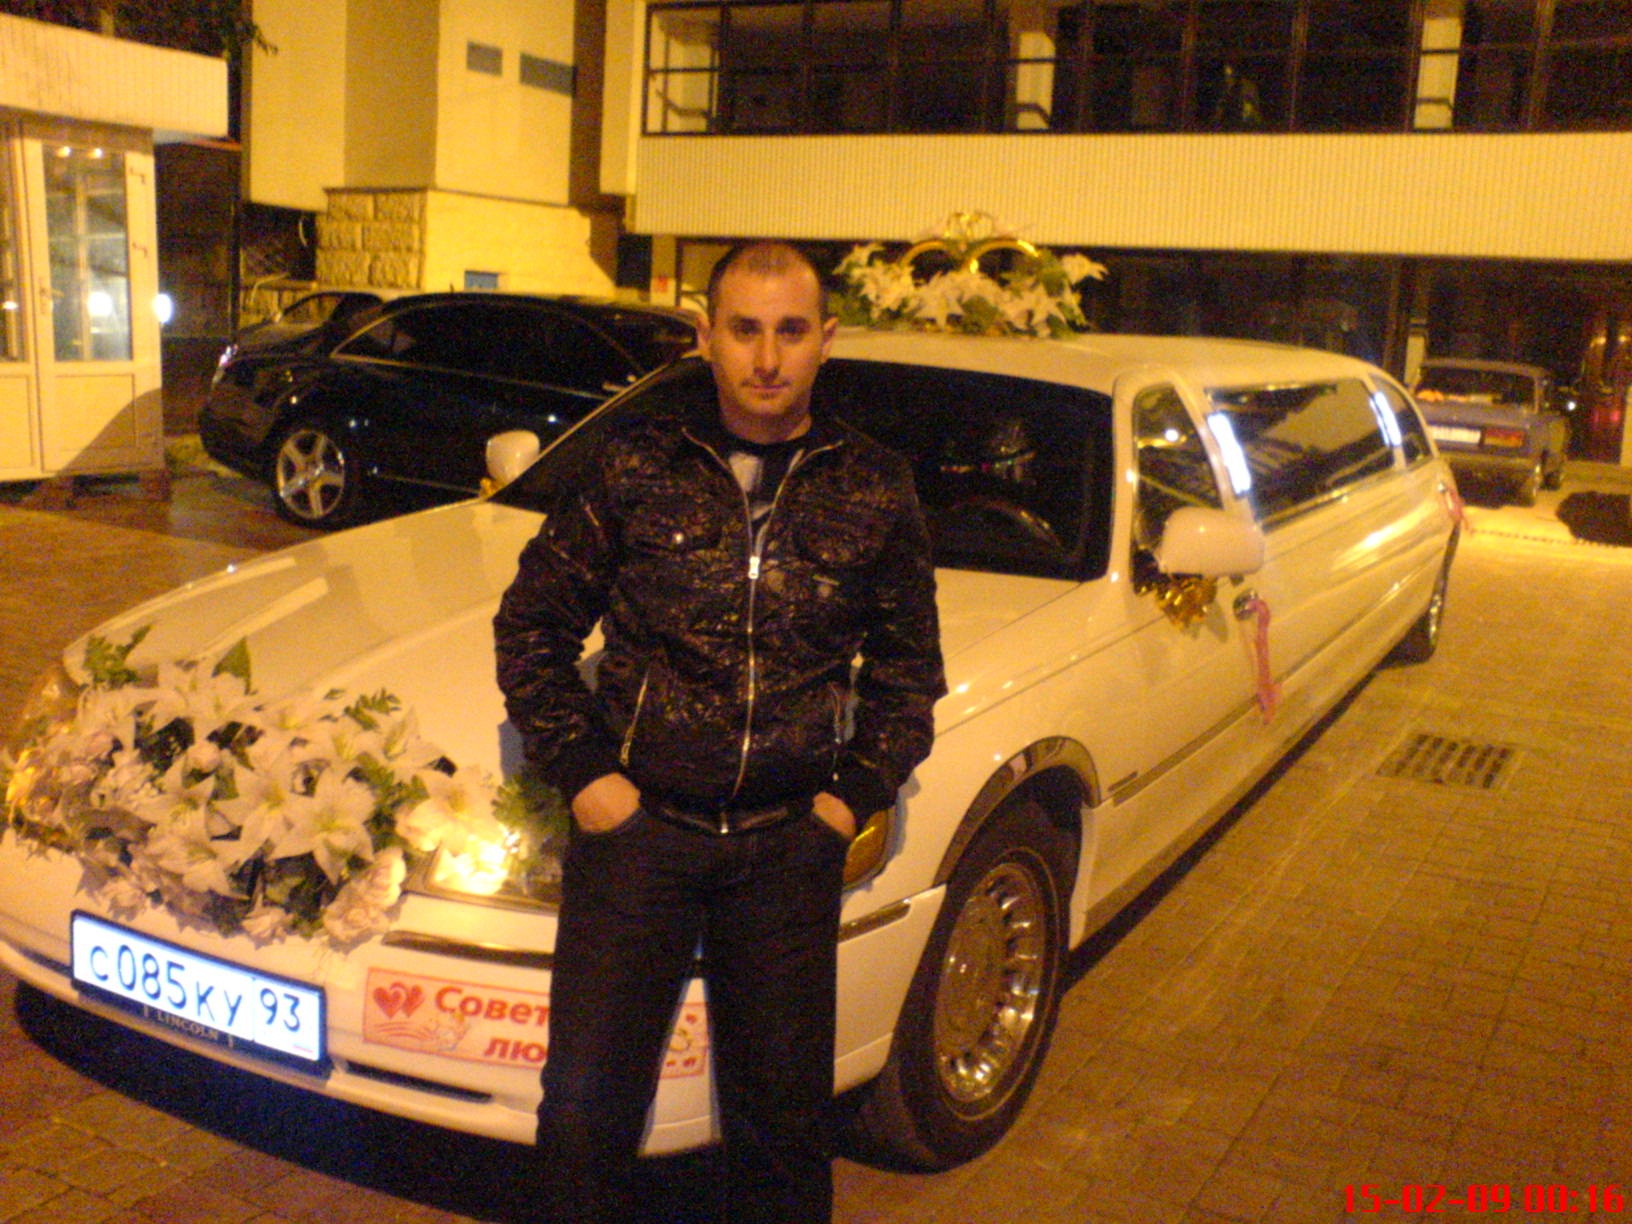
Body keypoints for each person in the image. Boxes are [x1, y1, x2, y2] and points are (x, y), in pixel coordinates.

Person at [493, 240, 945, 1224]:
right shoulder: (636, 462)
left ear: (826, 339)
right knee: (584, 1116)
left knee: (784, 1130)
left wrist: (846, 803)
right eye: (744, 330)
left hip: (785, 849)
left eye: (790, 331)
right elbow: (531, 627)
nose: (767, 358)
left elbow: (910, 676)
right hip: (639, 840)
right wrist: (585, 775)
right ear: (706, 336)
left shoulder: (873, 485)